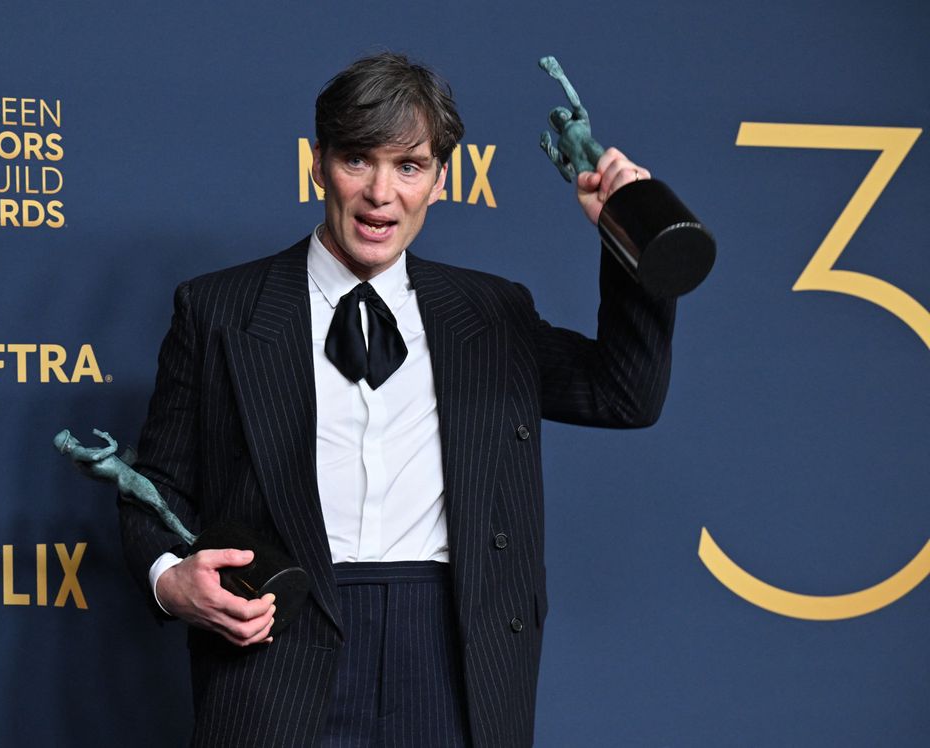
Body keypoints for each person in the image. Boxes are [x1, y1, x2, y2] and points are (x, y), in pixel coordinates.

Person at [119, 52, 674, 747]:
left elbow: (625, 393)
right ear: (318, 164)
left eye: (409, 166)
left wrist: (631, 238)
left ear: (441, 180)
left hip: (451, 655)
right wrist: (172, 581)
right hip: (279, 651)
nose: (382, 194)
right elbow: (155, 486)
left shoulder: (491, 312)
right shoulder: (219, 310)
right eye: (359, 160)